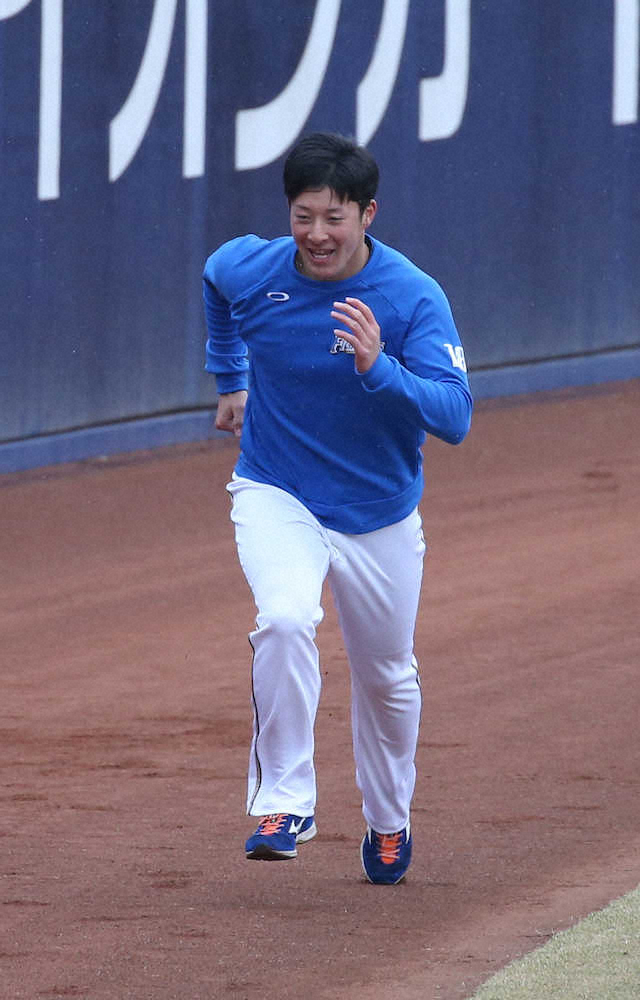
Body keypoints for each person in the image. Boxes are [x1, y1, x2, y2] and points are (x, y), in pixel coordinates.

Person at [202, 132, 472, 884]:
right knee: (285, 617)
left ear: (367, 215)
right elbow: (216, 282)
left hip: (378, 508)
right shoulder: (252, 267)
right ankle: (284, 802)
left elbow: (454, 417)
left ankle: (388, 824)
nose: (317, 234)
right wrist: (229, 376)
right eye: (302, 216)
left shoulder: (411, 295)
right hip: (276, 487)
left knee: (387, 677)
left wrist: (377, 367)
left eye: (334, 217)